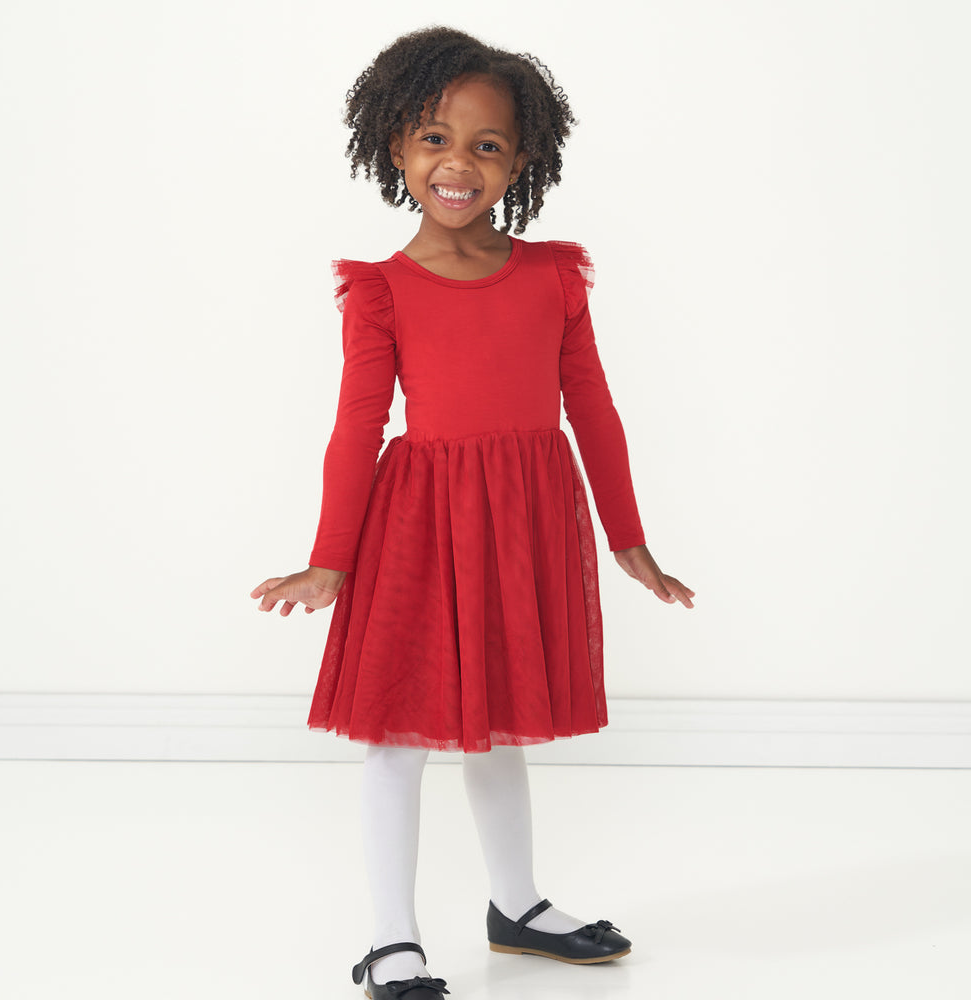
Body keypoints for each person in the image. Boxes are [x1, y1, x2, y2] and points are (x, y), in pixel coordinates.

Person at [250, 26, 694, 1000]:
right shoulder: (379, 292)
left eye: (486, 145)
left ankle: (517, 904)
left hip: (525, 515)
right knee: (397, 735)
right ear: (393, 148)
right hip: (419, 523)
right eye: (431, 138)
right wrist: (330, 557)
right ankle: (388, 937)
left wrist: (629, 539)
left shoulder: (554, 277)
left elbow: (594, 408)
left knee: (499, 724)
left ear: (521, 159)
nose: (457, 164)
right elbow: (355, 427)